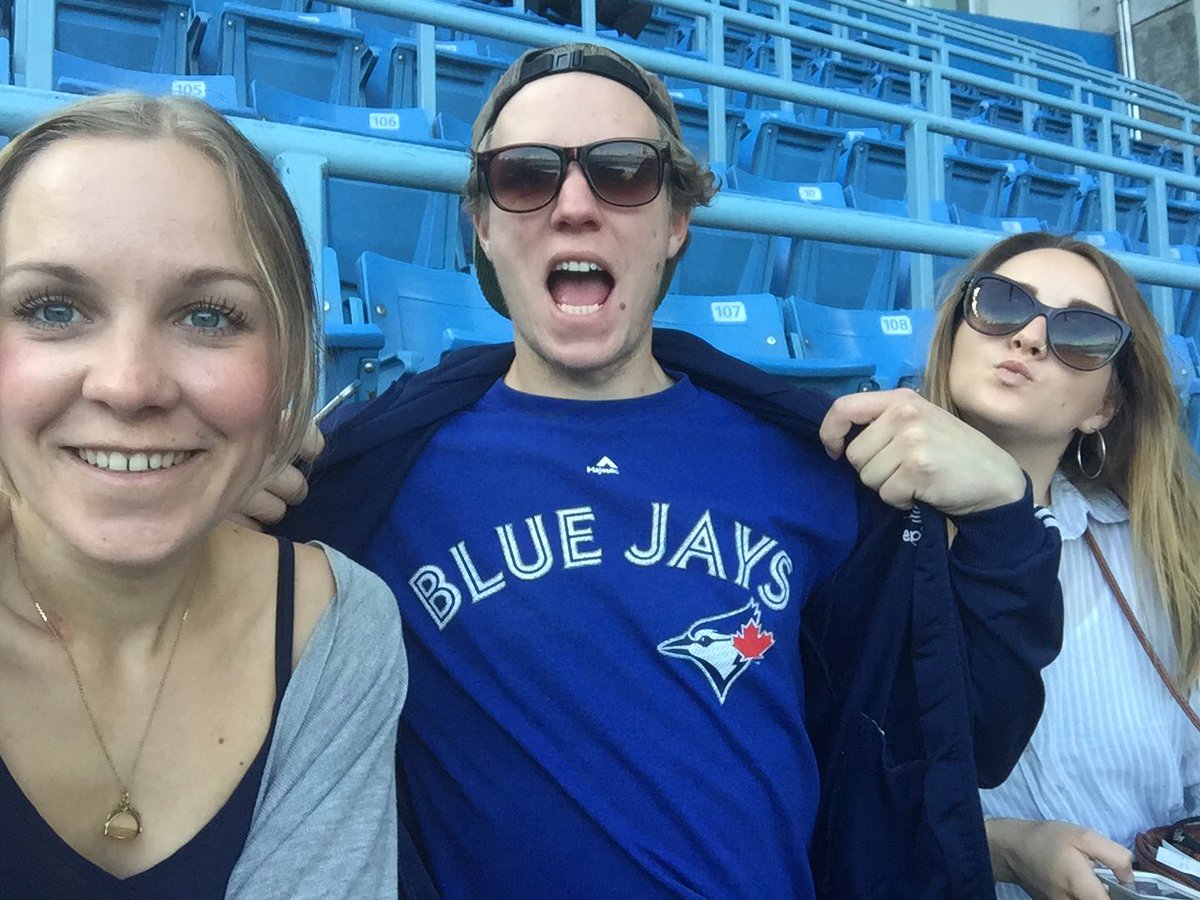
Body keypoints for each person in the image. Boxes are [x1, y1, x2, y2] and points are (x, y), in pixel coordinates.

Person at [276, 43, 1063, 899]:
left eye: (622, 172)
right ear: (484, 227)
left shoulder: (814, 470)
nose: (574, 205)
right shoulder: (376, 482)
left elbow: (962, 743)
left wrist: (999, 518)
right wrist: (215, 507)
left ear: (676, 223)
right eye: (525, 176)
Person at [0, 93, 406, 898]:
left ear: (288, 363)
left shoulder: (337, 630)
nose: (130, 385)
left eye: (209, 317)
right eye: (54, 308)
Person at [922, 230, 1200, 900]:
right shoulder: (856, 534)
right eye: (1002, 304)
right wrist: (1004, 848)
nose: (1029, 338)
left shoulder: (1166, 555)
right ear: (957, 332)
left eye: (1080, 332)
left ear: (1104, 405)